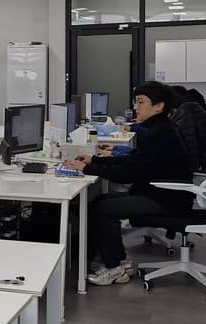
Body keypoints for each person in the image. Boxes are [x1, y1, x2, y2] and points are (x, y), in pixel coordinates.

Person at [63, 82, 193, 286]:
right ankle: (119, 261)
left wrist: (87, 169)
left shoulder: (158, 134)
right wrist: (94, 160)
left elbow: (127, 174)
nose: (135, 107)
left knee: (106, 208)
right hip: (161, 192)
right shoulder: (158, 128)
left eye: (141, 102)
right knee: (99, 202)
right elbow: (133, 161)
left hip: (166, 199)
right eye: (136, 102)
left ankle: (114, 269)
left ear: (159, 106)